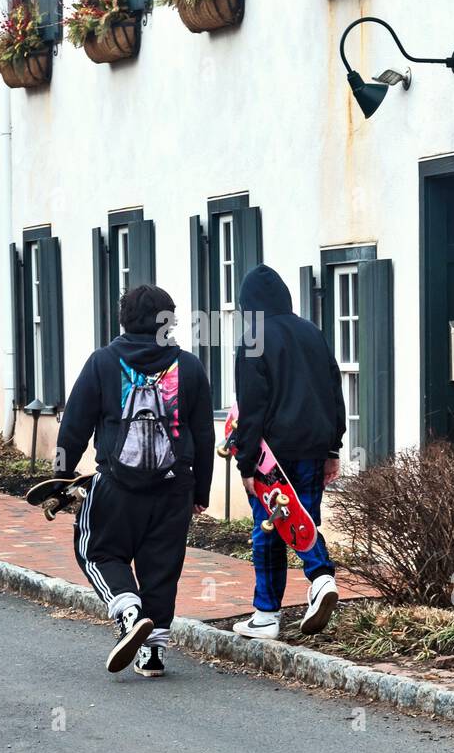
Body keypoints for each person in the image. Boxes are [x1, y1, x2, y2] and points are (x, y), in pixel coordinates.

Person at [55, 284, 215, 676]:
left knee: (97, 551)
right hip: (175, 487)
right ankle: (153, 653)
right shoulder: (190, 366)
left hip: (115, 487)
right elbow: (204, 434)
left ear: (123, 319)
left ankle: (128, 610)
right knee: (161, 566)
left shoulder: (102, 363)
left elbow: (74, 425)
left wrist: (61, 476)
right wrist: (202, 491)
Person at [230, 264, 346, 641]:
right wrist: (333, 447)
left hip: (271, 455)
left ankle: (266, 614)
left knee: (270, 528)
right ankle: (321, 578)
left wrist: (246, 463)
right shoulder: (312, 332)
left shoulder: (253, 339)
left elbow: (252, 408)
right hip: (313, 447)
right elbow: (334, 390)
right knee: (302, 520)